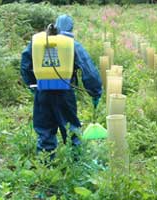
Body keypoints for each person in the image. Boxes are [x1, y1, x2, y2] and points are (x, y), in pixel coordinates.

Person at [20, 14, 102, 154]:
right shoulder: (72, 44)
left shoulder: (38, 42)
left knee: (45, 131)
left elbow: (25, 64)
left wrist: (32, 85)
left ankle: (46, 166)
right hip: (64, 93)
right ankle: (76, 165)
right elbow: (89, 71)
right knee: (71, 130)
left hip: (42, 92)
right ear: (71, 29)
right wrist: (95, 92)